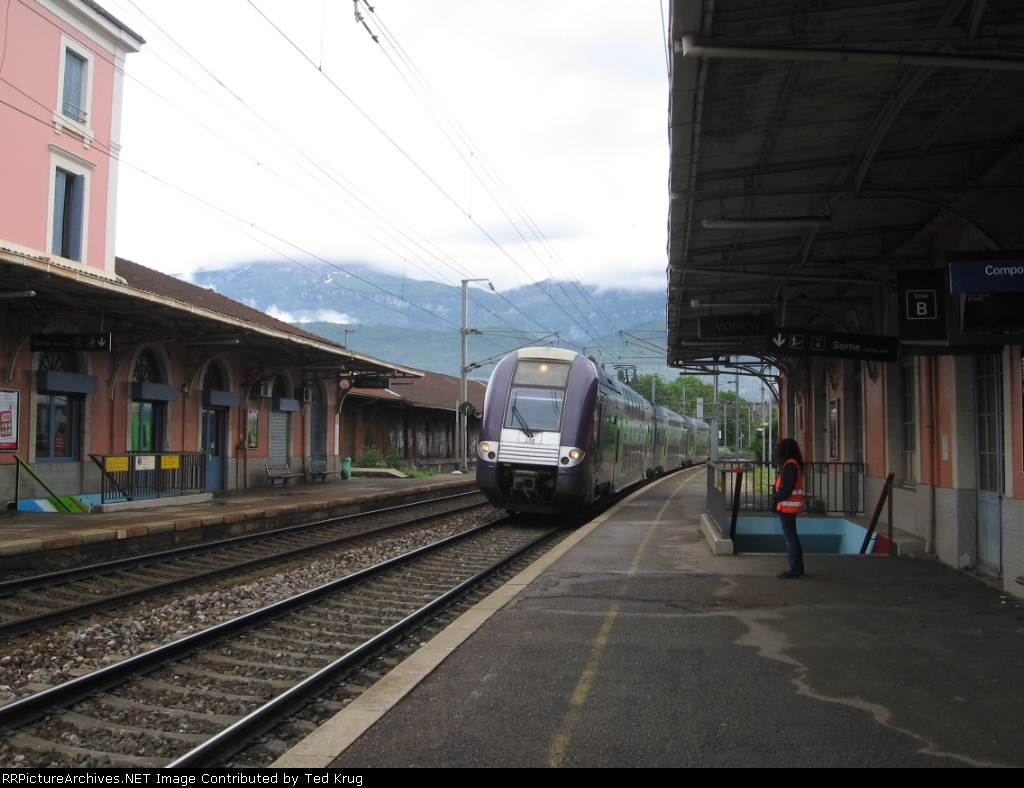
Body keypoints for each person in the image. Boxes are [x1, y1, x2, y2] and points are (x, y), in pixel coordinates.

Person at [770, 438, 805, 579]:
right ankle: (797, 567)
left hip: (787, 506)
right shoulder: (794, 463)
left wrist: (776, 497)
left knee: (790, 539)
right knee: (792, 538)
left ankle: (794, 569)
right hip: (790, 505)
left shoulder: (789, 465)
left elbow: (786, 487)